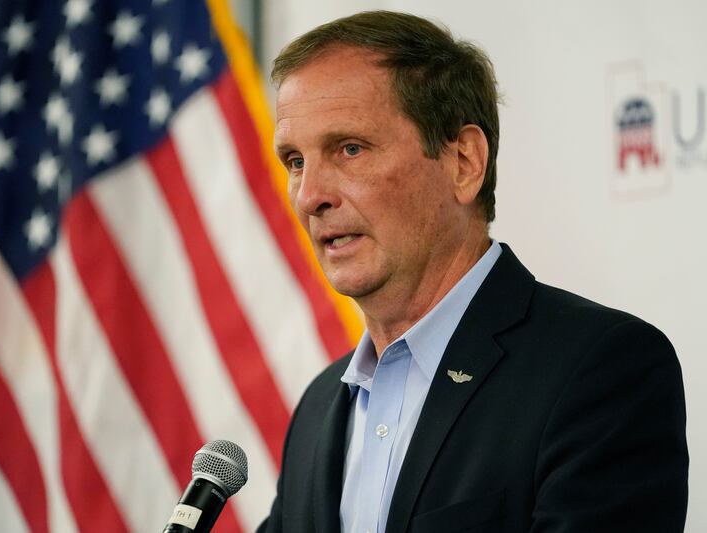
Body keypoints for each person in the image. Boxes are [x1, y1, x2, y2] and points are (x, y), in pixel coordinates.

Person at [259, 11, 688, 533]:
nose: (310, 196)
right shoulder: (318, 408)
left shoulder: (600, 371)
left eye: (350, 148)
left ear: (463, 162)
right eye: (295, 161)